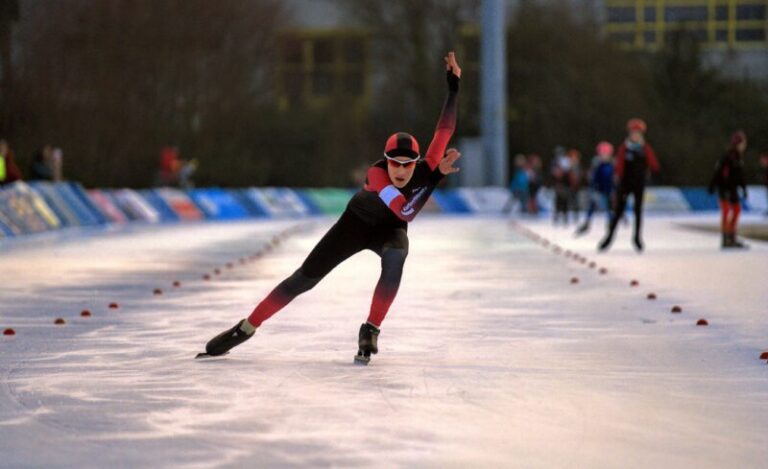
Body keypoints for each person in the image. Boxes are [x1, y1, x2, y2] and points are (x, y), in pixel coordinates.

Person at [200, 51, 463, 364]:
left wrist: (453, 88)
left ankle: (371, 329)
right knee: (302, 281)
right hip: (354, 225)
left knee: (397, 257)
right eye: (395, 163)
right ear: (386, 160)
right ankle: (246, 327)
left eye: (408, 165)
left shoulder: (427, 166)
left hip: (389, 231)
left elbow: (443, 131)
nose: (401, 170)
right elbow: (405, 211)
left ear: (416, 162)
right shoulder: (378, 175)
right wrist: (434, 179)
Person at [598, 118, 660, 252]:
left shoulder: (645, 148)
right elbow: (619, 165)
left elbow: (654, 164)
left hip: (639, 184)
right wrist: (617, 177)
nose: (635, 136)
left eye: (638, 133)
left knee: (638, 211)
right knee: (618, 211)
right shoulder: (624, 148)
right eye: (633, 133)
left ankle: (637, 238)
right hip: (625, 184)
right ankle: (609, 238)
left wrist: (652, 173)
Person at [708, 131, 749, 248]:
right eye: (743, 143)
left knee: (736, 210)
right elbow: (718, 173)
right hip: (725, 189)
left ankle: (731, 236)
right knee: (726, 211)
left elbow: (740, 176)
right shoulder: (728, 157)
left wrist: (744, 188)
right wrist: (713, 186)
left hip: (733, 189)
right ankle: (726, 238)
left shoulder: (738, 158)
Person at [575, 141, 614, 236]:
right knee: (593, 206)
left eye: (606, 154)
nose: (604, 156)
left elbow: (613, 179)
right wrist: (594, 188)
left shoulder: (611, 165)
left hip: (607, 190)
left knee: (608, 207)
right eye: (602, 154)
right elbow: (594, 178)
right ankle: (587, 223)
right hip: (598, 190)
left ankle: (611, 223)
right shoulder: (598, 166)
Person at [551, 146, 572, 225]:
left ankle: (565, 217)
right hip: (558, 184)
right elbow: (553, 174)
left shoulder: (566, 161)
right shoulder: (554, 162)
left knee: (564, 201)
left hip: (564, 184)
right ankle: (557, 217)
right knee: (558, 201)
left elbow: (568, 173)